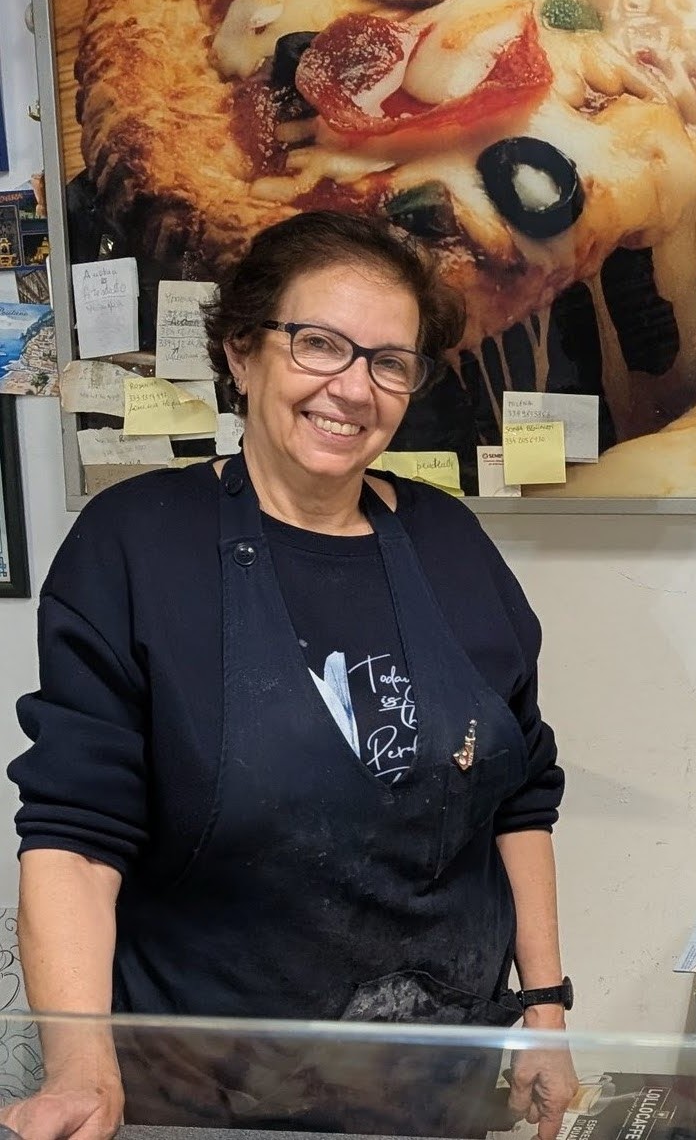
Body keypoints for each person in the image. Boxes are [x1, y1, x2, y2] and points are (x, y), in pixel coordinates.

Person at [7, 211, 577, 1139]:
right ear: (242, 351)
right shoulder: (137, 545)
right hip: (212, 1095)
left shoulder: (447, 540)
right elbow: (75, 840)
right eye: (319, 343)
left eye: (389, 362)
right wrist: (80, 1069)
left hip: (436, 1086)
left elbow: (519, 799)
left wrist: (544, 1008)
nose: (353, 388)